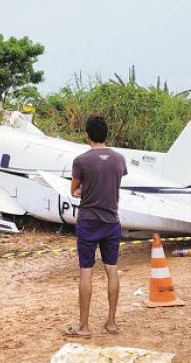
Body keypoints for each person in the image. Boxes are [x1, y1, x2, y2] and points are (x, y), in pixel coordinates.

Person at [64, 115, 127, 338]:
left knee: (86, 271)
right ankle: (111, 323)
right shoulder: (119, 159)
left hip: (88, 221)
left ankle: (84, 326)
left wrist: (85, 190)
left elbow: (74, 190)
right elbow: (114, 183)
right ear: (106, 134)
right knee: (112, 269)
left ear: (87, 136)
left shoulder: (81, 161)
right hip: (111, 221)